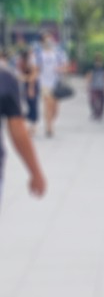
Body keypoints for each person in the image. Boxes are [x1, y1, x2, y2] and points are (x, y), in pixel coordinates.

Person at [0, 58, 49, 206]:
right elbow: (18, 130)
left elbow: (18, 130)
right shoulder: (5, 79)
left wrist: (35, 172)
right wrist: (35, 172)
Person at [34, 32, 67, 138]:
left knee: (55, 109)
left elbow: (65, 67)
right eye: (45, 40)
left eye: (49, 39)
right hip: (44, 82)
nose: (48, 41)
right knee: (47, 105)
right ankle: (49, 127)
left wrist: (60, 69)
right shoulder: (39, 54)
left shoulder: (59, 53)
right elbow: (36, 68)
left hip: (56, 83)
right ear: (41, 42)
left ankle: (51, 122)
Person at [16, 49, 39, 132]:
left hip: (31, 86)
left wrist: (30, 88)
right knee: (25, 106)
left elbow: (33, 77)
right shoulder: (21, 63)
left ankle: (33, 126)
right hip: (24, 86)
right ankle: (27, 125)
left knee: (32, 105)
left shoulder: (31, 63)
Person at [87, 54, 104, 121]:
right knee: (92, 100)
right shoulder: (92, 67)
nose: (98, 63)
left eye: (100, 61)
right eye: (97, 61)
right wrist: (87, 84)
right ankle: (95, 112)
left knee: (102, 101)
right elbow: (89, 76)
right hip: (94, 86)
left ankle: (99, 114)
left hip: (102, 86)